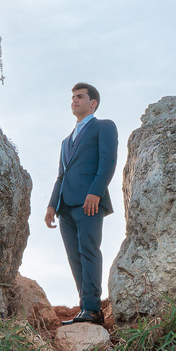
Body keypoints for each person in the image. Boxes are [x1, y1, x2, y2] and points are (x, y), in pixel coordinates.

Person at [45, 83, 118, 326]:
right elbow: (61, 175)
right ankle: (85, 307)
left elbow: (108, 161)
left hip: (89, 202)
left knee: (89, 251)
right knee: (74, 256)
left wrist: (95, 192)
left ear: (93, 103)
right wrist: (51, 205)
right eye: (73, 97)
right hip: (65, 206)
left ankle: (93, 309)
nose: (74, 100)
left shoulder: (104, 126)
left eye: (80, 96)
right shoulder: (65, 142)